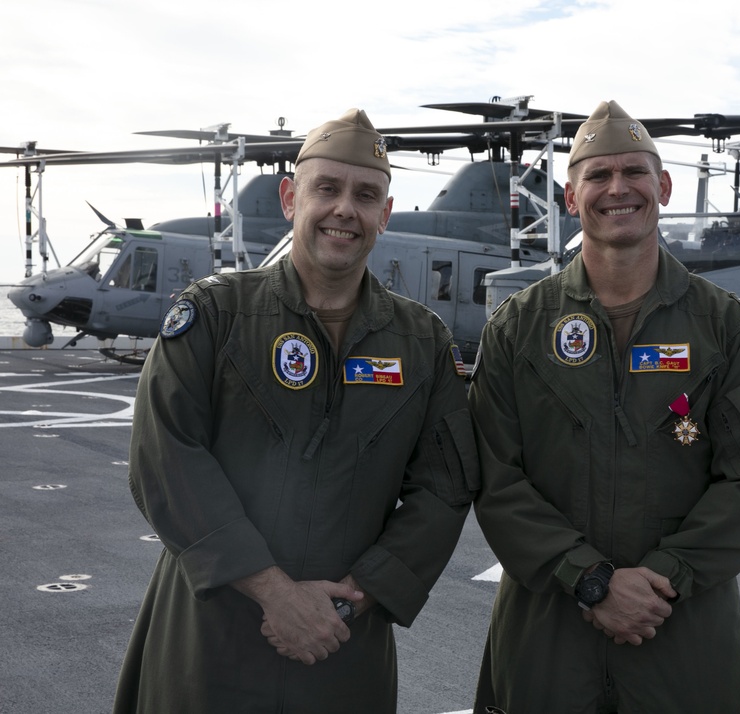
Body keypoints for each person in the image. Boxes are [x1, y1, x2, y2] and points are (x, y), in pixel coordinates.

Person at [113, 108, 480, 713]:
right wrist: (274, 593)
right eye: (326, 189)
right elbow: (164, 456)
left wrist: (352, 598)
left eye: (366, 196)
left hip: (342, 640)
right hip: (209, 636)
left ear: (384, 215)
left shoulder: (422, 343)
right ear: (290, 197)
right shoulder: (215, 314)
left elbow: (444, 487)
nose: (345, 210)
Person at [469, 100, 740, 713]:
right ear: (571, 197)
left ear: (663, 187)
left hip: (681, 630)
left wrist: (664, 577)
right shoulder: (519, 327)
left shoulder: (723, 325)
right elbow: (493, 476)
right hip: (547, 631)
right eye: (597, 176)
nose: (617, 188)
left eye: (634, 173)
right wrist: (589, 580)